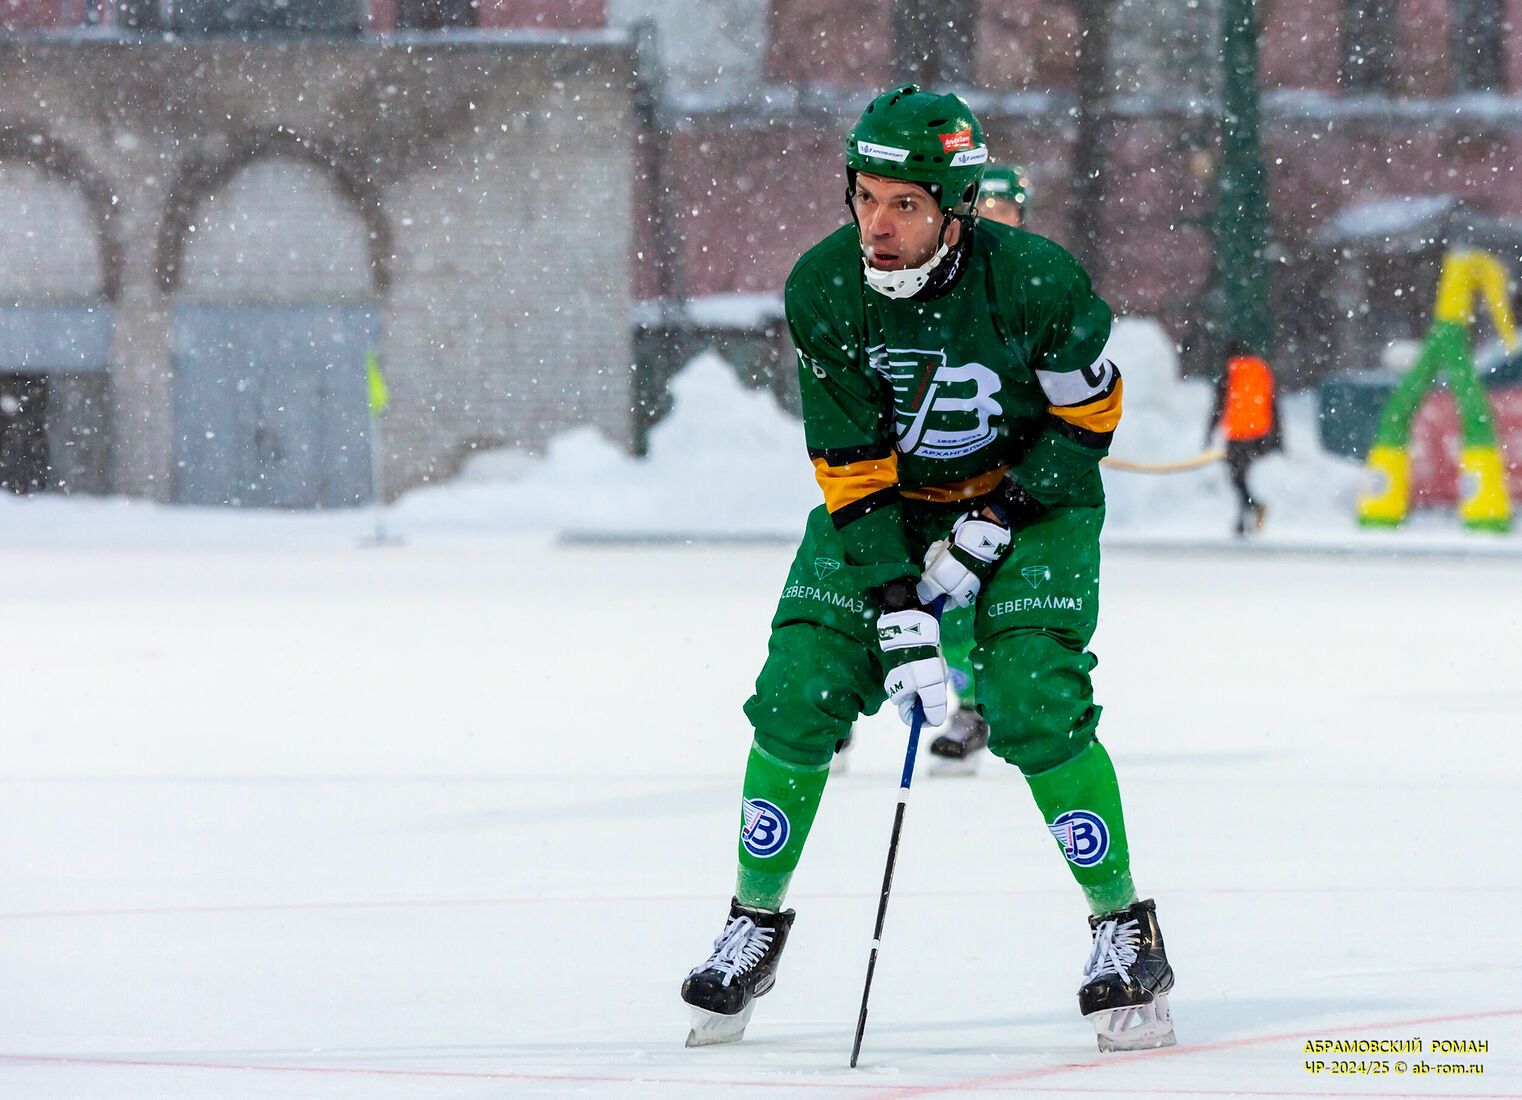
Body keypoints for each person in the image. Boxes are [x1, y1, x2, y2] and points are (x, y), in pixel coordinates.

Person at [680, 85, 1175, 1054]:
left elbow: (1089, 417)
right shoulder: (824, 287)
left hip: (1033, 502)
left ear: (957, 206)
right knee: (798, 687)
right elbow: (848, 461)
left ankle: (1124, 924)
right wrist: (895, 597)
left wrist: (1002, 516)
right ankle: (753, 920)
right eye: (865, 198)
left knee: (1030, 695)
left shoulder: (1036, 281)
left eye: (904, 204)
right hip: (891, 502)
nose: (877, 225)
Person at [834, 161, 1033, 775]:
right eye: (985, 209)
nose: (993, 220)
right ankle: (833, 702)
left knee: (968, 598)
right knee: (875, 581)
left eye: (1005, 210)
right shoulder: (914, 271)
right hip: (911, 469)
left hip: (989, 474)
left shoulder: (1024, 280)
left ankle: (970, 708)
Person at [1206, 338, 1280, 535]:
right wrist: (1277, 437)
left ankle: (1250, 509)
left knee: (1236, 477)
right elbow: (1272, 402)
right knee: (1242, 476)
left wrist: (1209, 432)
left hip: (1238, 434)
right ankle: (1244, 517)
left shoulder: (1232, 371)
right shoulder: (1261, 368)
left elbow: (1219, 404)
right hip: (1259, 433)